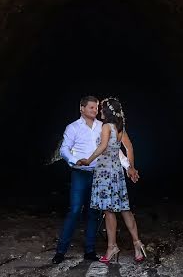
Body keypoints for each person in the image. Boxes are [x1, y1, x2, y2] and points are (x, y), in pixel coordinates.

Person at [77, 97, 146, 263]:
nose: (99, 111)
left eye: (101, 109)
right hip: (117, 173)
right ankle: (137, 244)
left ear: (107, 111)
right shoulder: (120, 127)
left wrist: (88, 159)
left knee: (109, 211)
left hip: (105, 173)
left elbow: (102, 147)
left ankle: (112, 247)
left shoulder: (107, 126)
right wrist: (130, 167)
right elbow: (129, 147)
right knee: (124, 209)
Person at [53, 95, 103, 264]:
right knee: (74, 211)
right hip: (80, 173)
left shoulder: (102, 127)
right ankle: (60, 252)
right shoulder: (73, 127)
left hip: (98, 174)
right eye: (91, 107)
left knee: (93, 213)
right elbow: (64, 149)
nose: (95, 110)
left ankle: (90, 250)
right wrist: (74, 162)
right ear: (81, 108)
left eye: (96, 108)